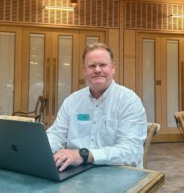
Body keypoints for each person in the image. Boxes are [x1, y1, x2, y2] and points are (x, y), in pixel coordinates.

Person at [47, 42, 147, 171]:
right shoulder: (72, 101)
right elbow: (56, 135)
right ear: (84, 70)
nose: (97, 70)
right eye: (92, 66)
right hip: (76, 174)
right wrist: (39, 147)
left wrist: (84, 155)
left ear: (113, 68)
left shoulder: (129, 100)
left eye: (103, 65)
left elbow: (132, 152)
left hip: (118, 175)